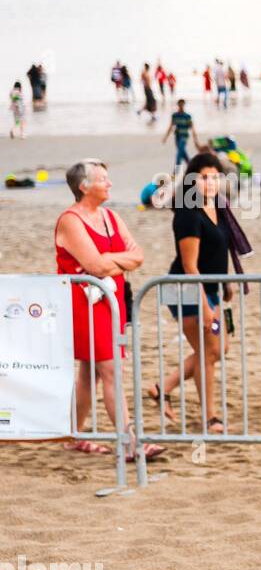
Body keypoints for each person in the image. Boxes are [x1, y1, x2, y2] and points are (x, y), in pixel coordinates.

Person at [55, 160, 161, 460]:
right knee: (111, 369)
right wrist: (115, 261)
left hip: (110, 302)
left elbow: (138, 256)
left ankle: (72, 435)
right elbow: (95, 266)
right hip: (84, 305)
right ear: (84, 186)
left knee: (92, 373)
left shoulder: (110, 217)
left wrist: (108, 260)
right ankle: (129, 443)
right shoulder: (70, 221)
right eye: (103, 179)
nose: (109, 183)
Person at [155, 153, 235, 433]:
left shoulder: (217, 206)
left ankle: (163, 387)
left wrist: (227, 282)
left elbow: (219, 251)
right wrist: (204, 305)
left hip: (208, 288)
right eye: (204, 178)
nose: (210, 183)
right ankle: (210, 417)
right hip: (184, 291)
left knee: (217, 349)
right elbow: (190, 265)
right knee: (208, 351)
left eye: (215, 177)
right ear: (192, 180)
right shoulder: (188, 214)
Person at [162, 99, 196, 168]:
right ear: (178, 105)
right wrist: (165, 137)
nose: (181, 106)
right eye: (180, 105)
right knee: (182, 152)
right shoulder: (175, 115)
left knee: (179, 154)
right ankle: (192, 166)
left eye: (182, 105)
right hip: (177, 136)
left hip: (184, 136)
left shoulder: (187, 116)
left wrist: (195, 137)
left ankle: (177, 171)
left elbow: (192, 127)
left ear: (184, 105)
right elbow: (171, 126)